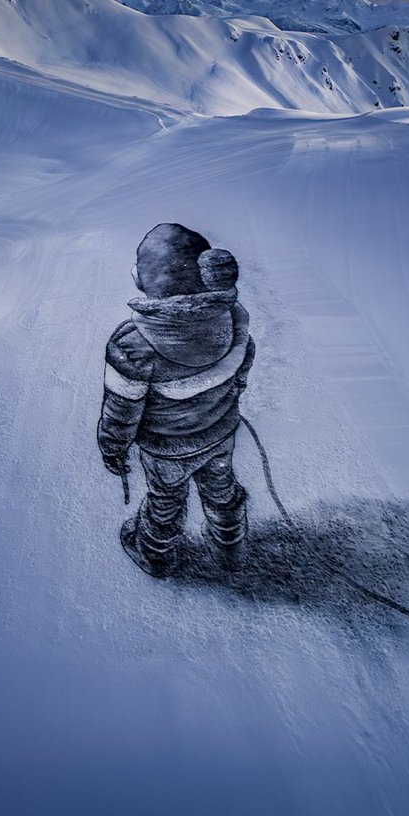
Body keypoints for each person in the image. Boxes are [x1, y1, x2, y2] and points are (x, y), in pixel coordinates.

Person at [96, 223, 255, 577]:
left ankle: (155, 555)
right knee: (222, 491)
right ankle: (231, 549)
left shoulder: (132, 345)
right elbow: (243, 363)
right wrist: (233, 391)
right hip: (219, 435)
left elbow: (122, 410)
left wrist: (113, 447)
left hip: (166, 449)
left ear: (146, 281)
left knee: (165, 502)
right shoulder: (233, 318)